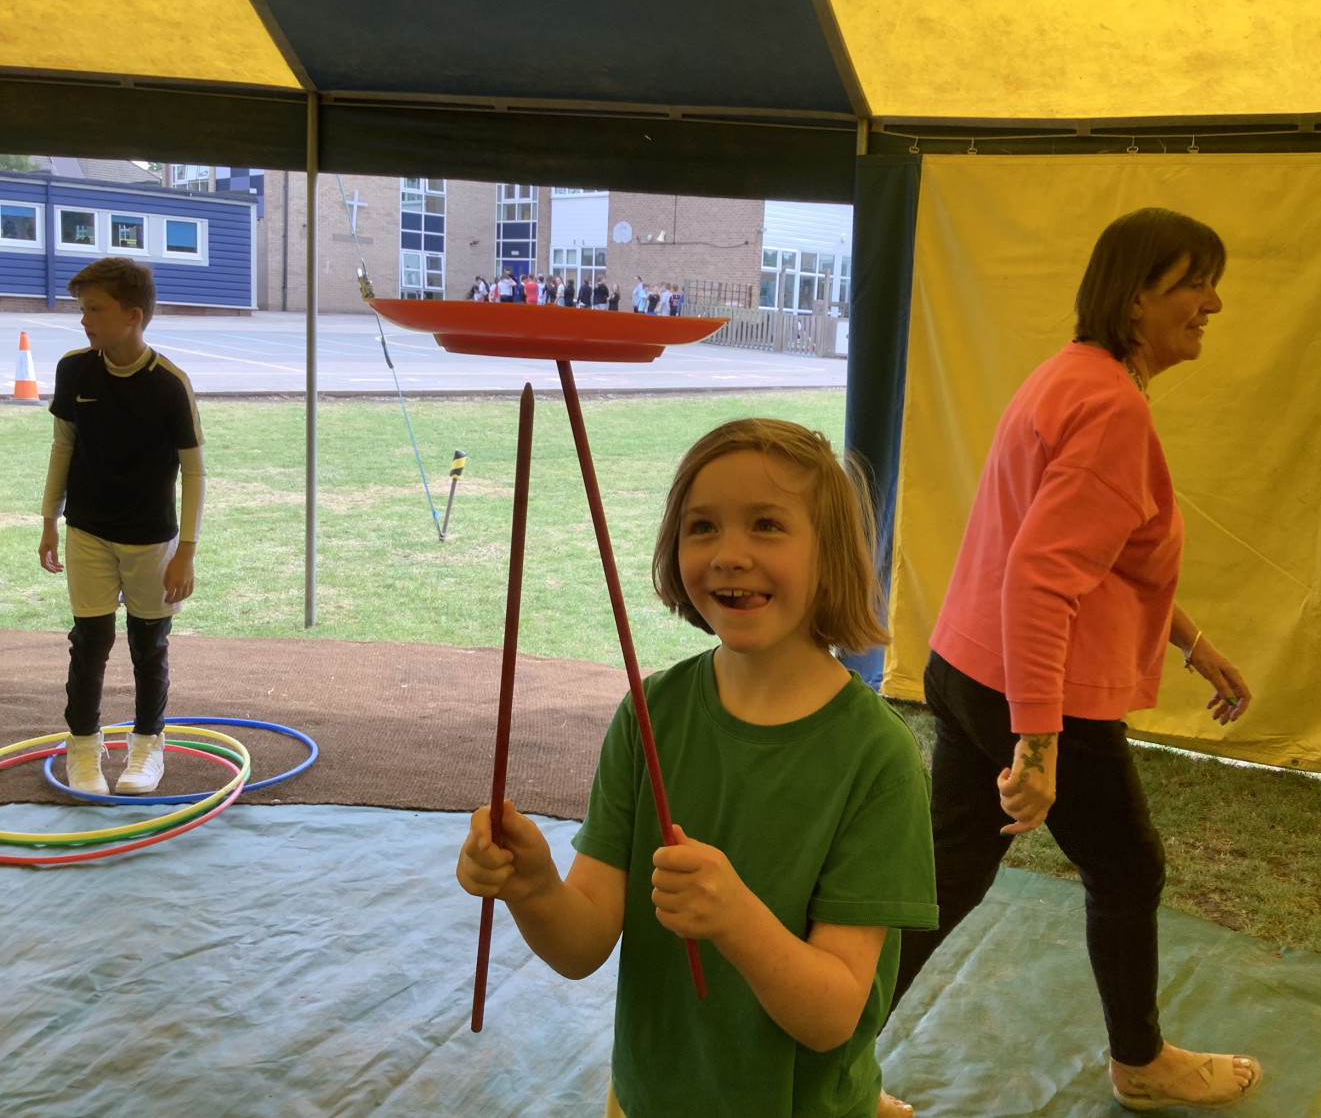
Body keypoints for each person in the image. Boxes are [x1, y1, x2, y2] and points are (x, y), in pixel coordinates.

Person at [457, 418, 938, 1118]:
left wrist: (735, 919)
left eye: (767, 525)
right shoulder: (649, 714)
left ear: (831, 555)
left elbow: (834, 1013)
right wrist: (532, 888)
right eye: (702, 526)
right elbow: (582, 942)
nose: (729, 555)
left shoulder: (877, 759)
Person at [891, 208, 1261, 1112]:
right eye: (1194, 283)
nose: (1214, 303)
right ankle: (1142, 1062)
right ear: (1135, 299)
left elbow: (1104, 561)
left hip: (969, 666)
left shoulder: (1072, 375)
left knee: (945, 879)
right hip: (1030, 689)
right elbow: (1041, 578)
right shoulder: (1111, 408)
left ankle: (812, 1049)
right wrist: (1039, 745)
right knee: (1128, 868)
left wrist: (1194, 643)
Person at [38, 257, 206, 797]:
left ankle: (147, 745)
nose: (84, 320)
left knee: (148, 644)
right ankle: (84, 747)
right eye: (82, 309)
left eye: (95, 309)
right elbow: (62, 447)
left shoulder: (170, 384)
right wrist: (49, 520)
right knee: (89, 641)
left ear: (133, 315)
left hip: (151, 538)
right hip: (86, 530)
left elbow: (195, 471)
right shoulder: (73, 369)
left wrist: (186, 552)